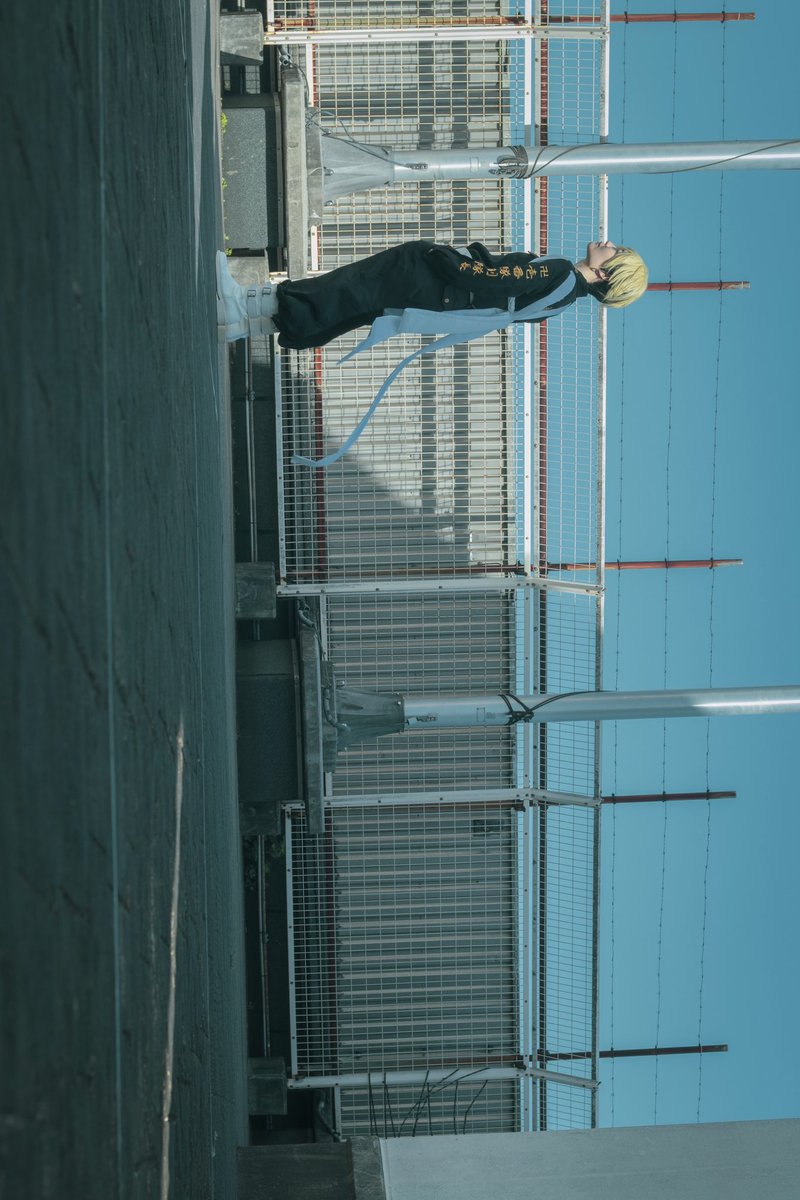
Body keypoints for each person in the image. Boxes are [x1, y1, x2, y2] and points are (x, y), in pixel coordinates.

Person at [216, 239, 647, 465]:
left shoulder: (561, 274)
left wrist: (439, 256)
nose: (609, 242)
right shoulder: (563, 300)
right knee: (352, 305)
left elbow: (493, 278)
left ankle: (240, 302)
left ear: (608, 272)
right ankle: (245, 325)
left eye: (617, 251)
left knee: (343, 288)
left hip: (434, 282)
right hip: (443, 302)